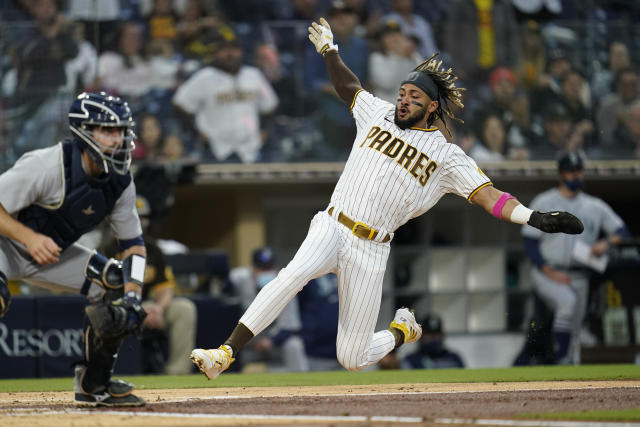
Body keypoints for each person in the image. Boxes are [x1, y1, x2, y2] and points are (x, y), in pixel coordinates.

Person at [189, 17, 583, 380]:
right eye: (402, 92)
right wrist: (330, 51)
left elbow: (487, 196)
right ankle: (226, 352)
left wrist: (532, 217)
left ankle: (401, 330)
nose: (403, 100)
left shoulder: (447, 156)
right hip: (332, 223)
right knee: (292, 275)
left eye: (413, 96)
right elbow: (347, 88)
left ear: (432, 107)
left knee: (353, 357)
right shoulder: (377, 113)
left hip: (372, 248)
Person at [0, 92, 147, 406]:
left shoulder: (120, 180)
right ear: (84, 131)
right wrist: (28, 238)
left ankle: (94, 383)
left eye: (120, 130)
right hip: (7, 243)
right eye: (107, 130)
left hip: (51, 253)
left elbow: (133, 243)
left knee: (117, 283)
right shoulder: (46, 165)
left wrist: (134, 295)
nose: (117, 138)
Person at [522, 152, 630, 364]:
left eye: (578, 171)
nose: (575, 176)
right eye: (570, 172)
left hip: (580, 274)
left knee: (576, 327)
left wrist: (606, 243)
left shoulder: (594, 205)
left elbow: (622, 231)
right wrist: (549, 271)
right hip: (548, 272)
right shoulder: (544, 200)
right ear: (561, 175)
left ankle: (569, 373)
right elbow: (530, 242)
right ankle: (561, 358)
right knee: (567, 304)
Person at [172, 35, 279, 163]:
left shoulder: (254, 75)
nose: (230, 54)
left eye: (234, 49)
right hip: (216, 148)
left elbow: (270, 105)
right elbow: (180, 104)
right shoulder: (204, 77)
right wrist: (196, 133)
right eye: (225, 49)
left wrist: (264, 130)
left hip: (251, 148)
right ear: (216, 52)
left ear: (241, 52)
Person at [130, 195, 197, 375]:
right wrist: (141, 309)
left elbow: (165, 288)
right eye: (137, 217)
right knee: (146, 306)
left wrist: (159, 308)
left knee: (184, 308)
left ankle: (177, 371)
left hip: (150, 307)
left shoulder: (153, 250)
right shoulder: (111, 247)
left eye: (144, 217)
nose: (141, 222)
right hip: (123, 307)